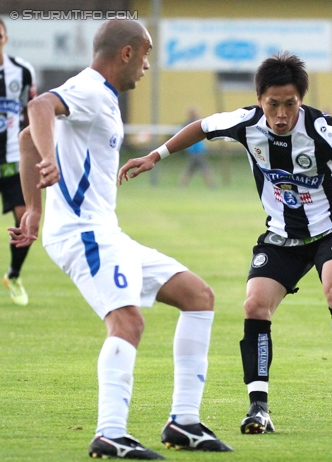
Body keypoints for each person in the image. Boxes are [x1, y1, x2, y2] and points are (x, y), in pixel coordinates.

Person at [119, 52, 332, 435]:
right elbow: (201, 126)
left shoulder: (323, 132)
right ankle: (258, 408)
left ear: (301, 100)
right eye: (273, 104)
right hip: (281, 235)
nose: (281, 114)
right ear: (260, 100)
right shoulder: (246, 123)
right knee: (254, 304)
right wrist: (156, 155)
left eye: (290, 104)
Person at [9, 19, 232, 459]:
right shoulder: (90, 89)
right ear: (126, 53)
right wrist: (50, 167)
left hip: (105, 231)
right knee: (128, 322)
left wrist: (34, 208)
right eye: (145, 54)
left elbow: (23, 140)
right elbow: (36, 113)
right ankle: (110, 432)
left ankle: (183, 423)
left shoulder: (101, 98)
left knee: (198, 295)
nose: (147, 66)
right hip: (82, 233)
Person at [0, 17, 37, 305]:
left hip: (13, 158)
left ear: (6, 38)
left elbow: (32, 111)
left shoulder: (22, 71)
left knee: (25, 217)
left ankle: (13, 274)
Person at [179, 107, 216, 189]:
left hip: (198, 150)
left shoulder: (196, 123)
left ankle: (182, 185)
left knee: (191, 169)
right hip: (195, 151)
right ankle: (211, 185)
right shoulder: (192, 124)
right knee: (203, 168)